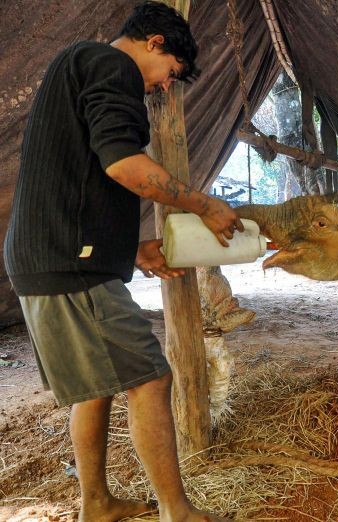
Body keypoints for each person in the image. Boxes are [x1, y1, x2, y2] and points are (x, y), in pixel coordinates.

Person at [3, 2, 240, 521]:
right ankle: (178, 511)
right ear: (155, 42)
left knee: (97, 386)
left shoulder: (78, 64)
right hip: (69, 266)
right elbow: (121, 163)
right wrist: (203, 204)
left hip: (55, 257)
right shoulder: (113, 67)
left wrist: (130, 252)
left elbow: (74, 181)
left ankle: (97, 504)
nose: (162, 88)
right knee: (151, 379)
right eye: (170, 74)